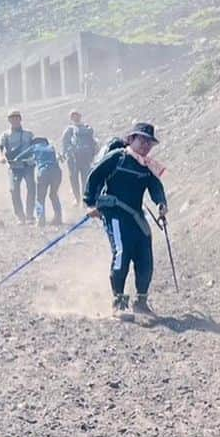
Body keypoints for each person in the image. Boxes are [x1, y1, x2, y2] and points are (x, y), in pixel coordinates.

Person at [84, 121, 168, 316]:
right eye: (142, 140)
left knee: (145, 256)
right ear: (131, 139)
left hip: (136, 216)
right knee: (122, 253)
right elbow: (94, 177)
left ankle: (141, 301)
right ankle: (119, 302)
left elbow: (155, 187)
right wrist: (91, 204)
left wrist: (161, 204)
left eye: (149, 142)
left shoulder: (147, 166)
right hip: (114, 213)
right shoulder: (116, 158)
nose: (146, 145)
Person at [0, 111, 36, 224]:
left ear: (20, 119)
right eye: (12, 118)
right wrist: (1, 157)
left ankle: (30, 215)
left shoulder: (29, 134)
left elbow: (36, 146)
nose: (14, 120)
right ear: (9, 120)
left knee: (31, 188)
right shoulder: (5, 135)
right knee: (14, 190)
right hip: (14, 166)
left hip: (28, 165)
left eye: (16, 118)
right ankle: (20, 216)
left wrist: (34, 157)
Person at [59, 111, 98, 206]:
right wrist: (67, 154)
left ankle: (84, 199)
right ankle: (77, 199)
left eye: (77, 116)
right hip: (73, 159)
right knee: (74, 179)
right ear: (71, 118)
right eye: (73, 116)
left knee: (86, 178)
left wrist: (92, 154)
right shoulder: (69, 130)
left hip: (85, 158)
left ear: (80, 116)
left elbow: (92, 142)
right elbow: (65, 144)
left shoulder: (87, 128)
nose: (75, 118)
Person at [28, 135, 63, 227]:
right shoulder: (51, 147)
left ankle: (40, 220)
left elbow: (23, 157)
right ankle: (58, 217)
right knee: (53, 194)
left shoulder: (34, 147)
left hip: (43, 172)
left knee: (40, 197)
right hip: (57, 172)